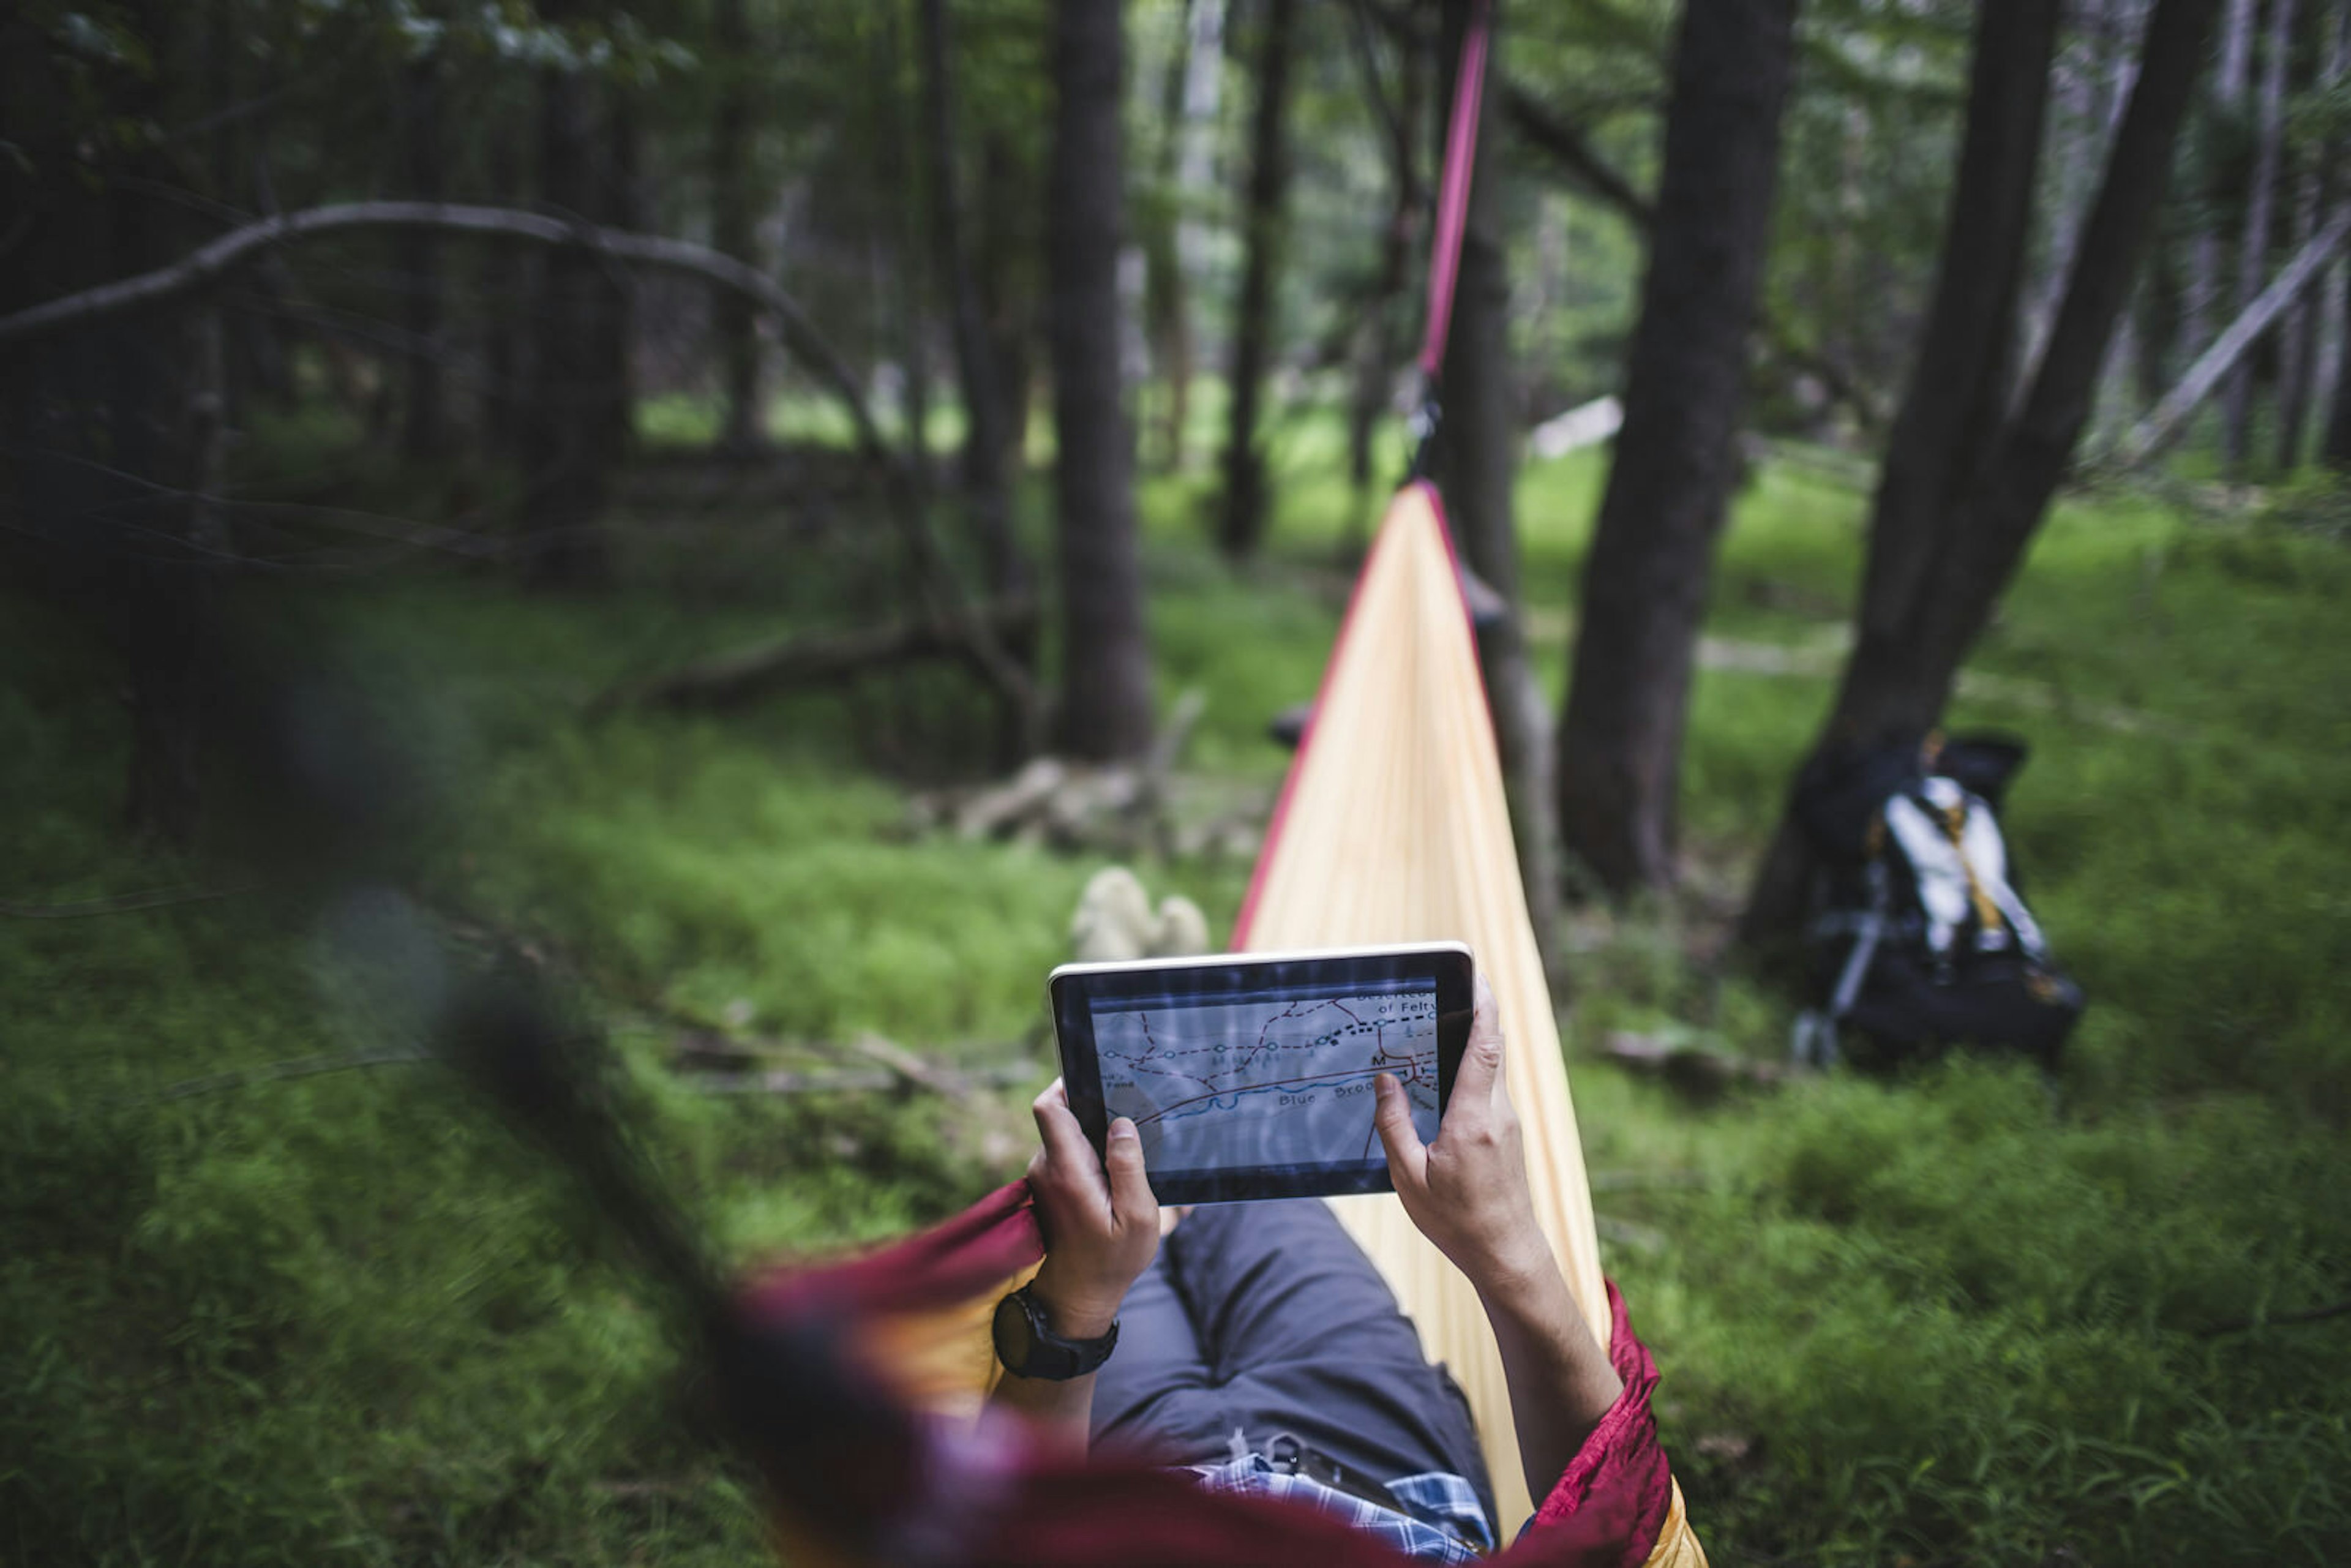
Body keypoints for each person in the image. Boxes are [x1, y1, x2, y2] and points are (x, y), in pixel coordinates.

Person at [986, 980, 1625, 1562]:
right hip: (1383, 1462)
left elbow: (999, 1536)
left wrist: (1077, 1303)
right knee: (1246, 1170)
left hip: (1145, 1498)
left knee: (1100, 1196)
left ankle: (1117, 1044)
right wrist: (1507, 1244)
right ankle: (1141, 1035)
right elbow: (1624, 1527)